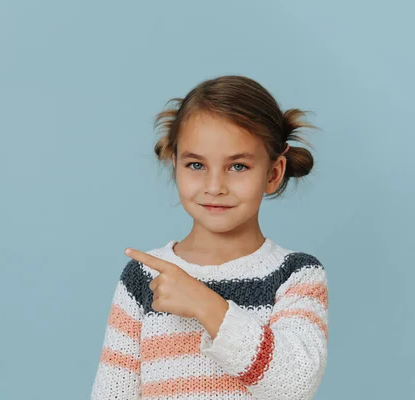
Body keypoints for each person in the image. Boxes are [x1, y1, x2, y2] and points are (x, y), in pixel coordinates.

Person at [90, 75, 329, 400]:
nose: (214, 186)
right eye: (196, 164)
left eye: (238, 167)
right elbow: (112, 393)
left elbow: (294, 384)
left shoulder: (296, 276)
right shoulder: (143, 278)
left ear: (273, 174)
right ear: (175, 165)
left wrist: (205, 304)